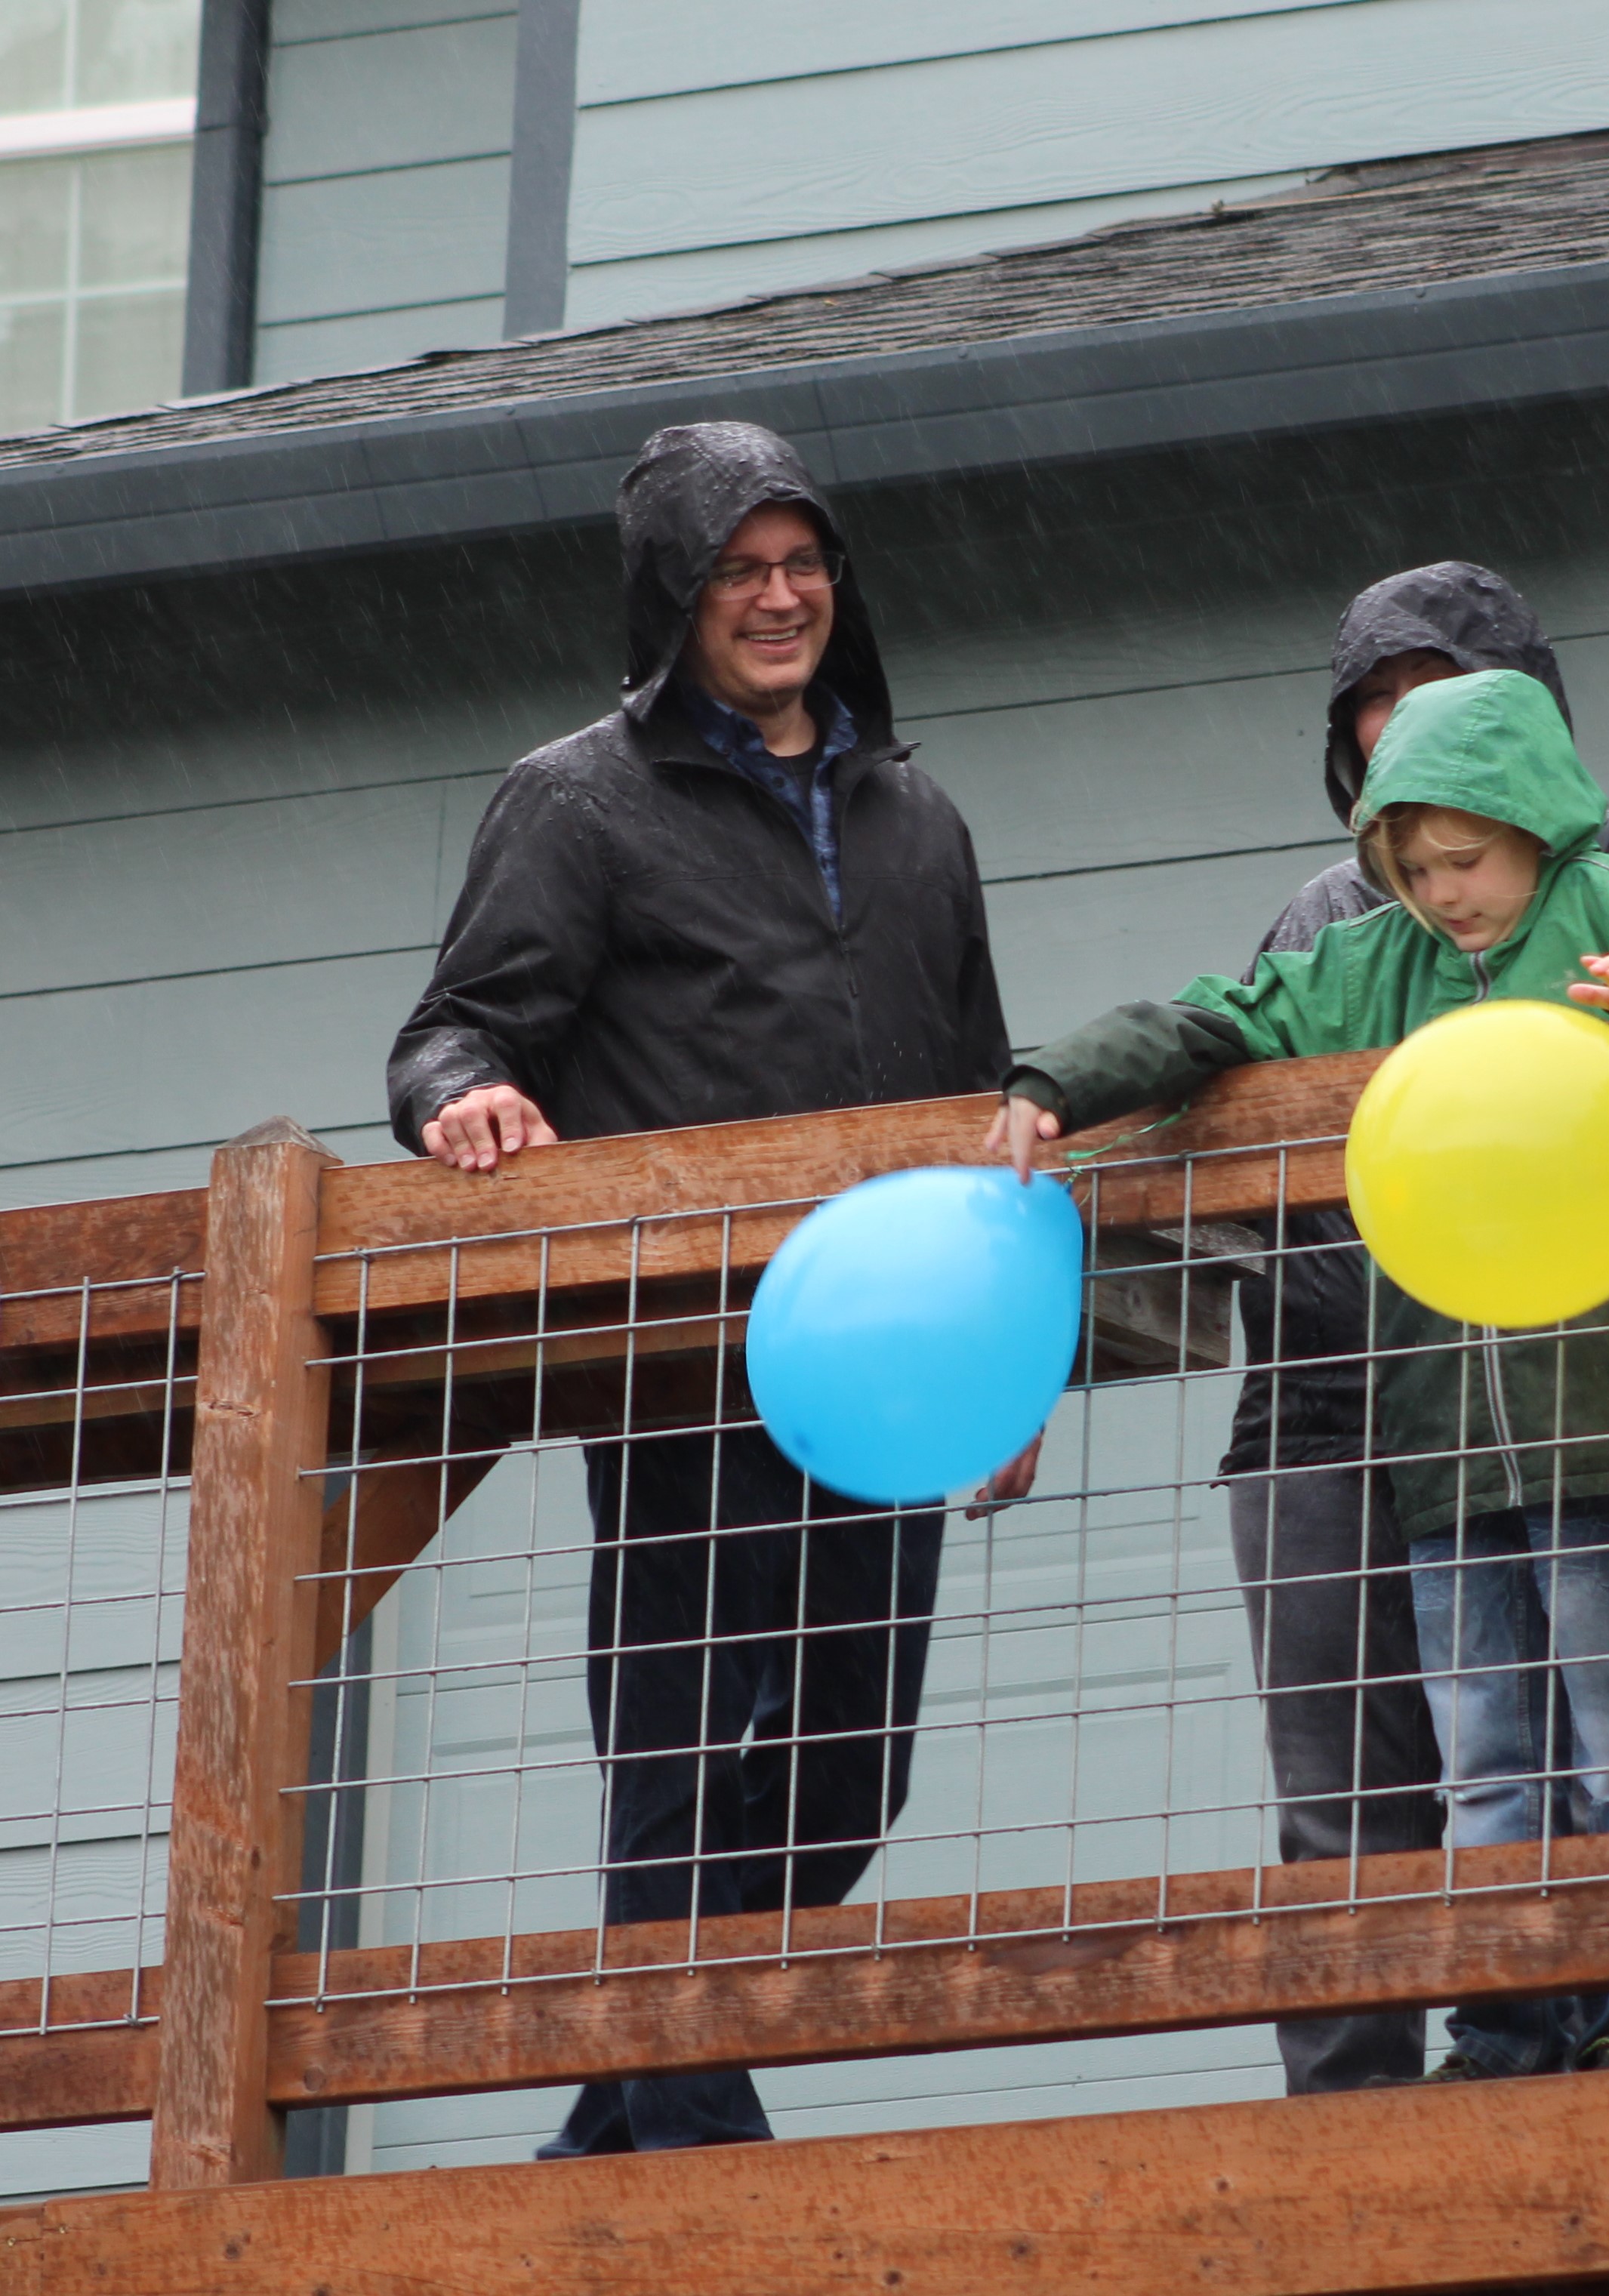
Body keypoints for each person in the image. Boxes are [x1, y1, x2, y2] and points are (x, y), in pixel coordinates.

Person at [991, 667, 1609, 2079]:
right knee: (1486, 1756)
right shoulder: (1370, 966)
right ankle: (1505, 2018)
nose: (1445, 895)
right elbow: (1219, 1017)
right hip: (1438, 1443)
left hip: (1608, 1420)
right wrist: (1056, 1078)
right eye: (1411, 869)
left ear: (1535, 825)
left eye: (1466, 860)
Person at [384, 421, 1027, 2154]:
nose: (779, 597)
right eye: (739, 569)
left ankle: (617, 2123)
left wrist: (1014, 1362)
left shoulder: (918, 816)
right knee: (671, 1776)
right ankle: (686, 2153)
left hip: (893, 1374)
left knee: (845, 1781)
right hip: (687, 1373)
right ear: (676, 596)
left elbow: (986, 1103)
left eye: (802, 563)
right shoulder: (576, 798)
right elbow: (457, 1027)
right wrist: (464, 1099)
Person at [1222, 562, 1609, 2093]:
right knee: (1387, 1776)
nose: (1409, 734)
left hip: (1583, 1384)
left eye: (1441, 698)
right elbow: (1235, 1063)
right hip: (1362, 1403)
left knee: (1601, 1721)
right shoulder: (1339, 925)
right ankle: (1413, 2080)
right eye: (1377, 712)